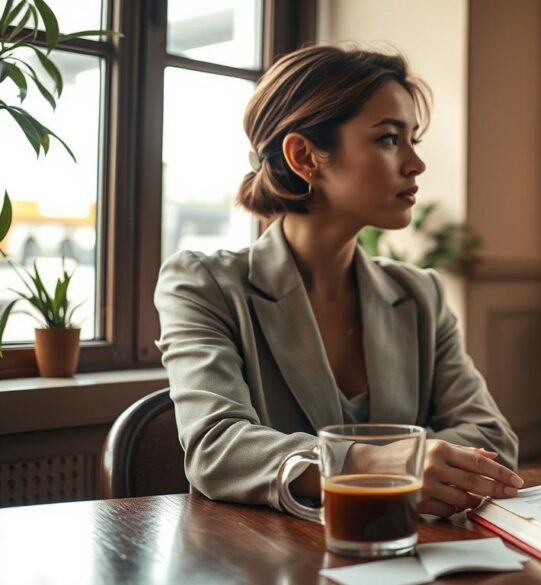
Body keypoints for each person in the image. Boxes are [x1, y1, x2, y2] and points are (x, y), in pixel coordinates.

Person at [153, 45, 521, 518]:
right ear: (305, 156)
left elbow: (492, 441)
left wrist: (346, 468)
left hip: (411, 559)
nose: (416, 164)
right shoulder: (203, 285)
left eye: (414, 140)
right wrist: (388, 465)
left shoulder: (420, 294)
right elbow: (219, 449)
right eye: (389, 139)